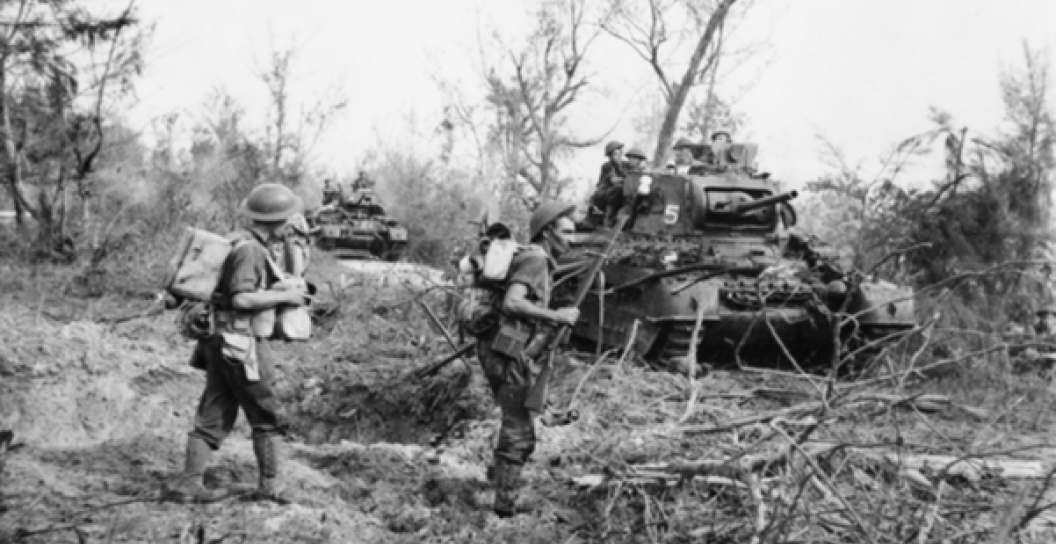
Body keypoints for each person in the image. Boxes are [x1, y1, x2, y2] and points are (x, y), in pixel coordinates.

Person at [164, 183, 308, 504]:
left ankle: (190, 483)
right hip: (240, 343)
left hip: (216, 341)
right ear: (276, 221)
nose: (290, 225)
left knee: (214, 409)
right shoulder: (251, 251)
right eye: (287, 219)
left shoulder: (232, 240)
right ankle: (270, 488)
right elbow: (241, 298)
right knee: (265, 413)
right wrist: (287, 295)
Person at [477, 202, 580, 517]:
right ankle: (504, 504)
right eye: (566, 232)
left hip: (498, 348)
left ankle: (496, 482)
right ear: (548, 231)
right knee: (520, 428)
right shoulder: (536, 259)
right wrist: (556, 315)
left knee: (514, 418)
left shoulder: (531, 256)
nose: (572, 240)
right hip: (508, 354)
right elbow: (512, 303)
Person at [591, 141, 625, 228]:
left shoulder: (622, 166)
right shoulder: (607, 166)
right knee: (618, 188)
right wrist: (627, 180)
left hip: (613, 193)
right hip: (603, 193)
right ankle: (608, 218)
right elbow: (613, 180)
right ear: (610, 156)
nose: (618, 156)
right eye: (615, 154)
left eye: (620, 153)